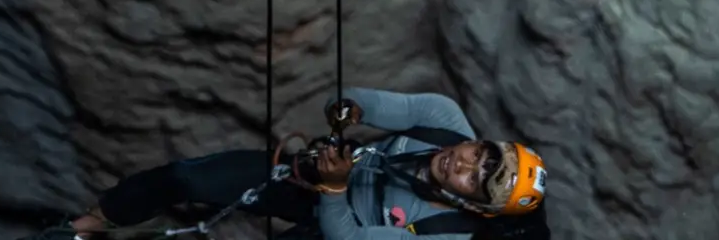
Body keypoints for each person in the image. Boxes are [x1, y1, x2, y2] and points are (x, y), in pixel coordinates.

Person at [65, 88, 550, 239]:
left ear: (479, 209)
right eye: (480, 154)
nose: (462, 163)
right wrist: (352, 109)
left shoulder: (447, 234)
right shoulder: (444, 119)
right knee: (188, 177)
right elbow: (376, 104)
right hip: (322, 174)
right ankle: (84, 227)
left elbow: (348, 238)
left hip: (335, 223)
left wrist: (336, 189)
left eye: (477, 179)